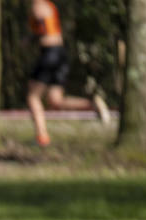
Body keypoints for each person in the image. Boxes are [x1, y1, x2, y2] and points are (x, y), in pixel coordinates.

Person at [25, 0, 109, 147]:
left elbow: (42, 27)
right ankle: (93, 104)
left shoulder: (37, 5)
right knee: (55, 100)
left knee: (33, 96)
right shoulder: (48, 5)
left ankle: (42, 137)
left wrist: (29, 39)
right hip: (60, 53)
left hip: (50, 54)